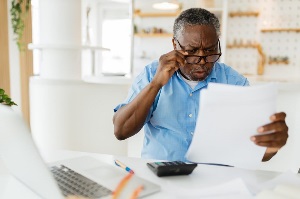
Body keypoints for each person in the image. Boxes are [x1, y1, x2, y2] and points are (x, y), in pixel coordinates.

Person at [113, 8, 288, 162]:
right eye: (191, 51)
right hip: (160, 177)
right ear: (175, 44)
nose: (202, 61)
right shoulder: (152, 74)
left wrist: (273, 146)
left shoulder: (234, 82)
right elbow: (121, 131)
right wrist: (156, 84)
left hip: (215, 181)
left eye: (211, 50)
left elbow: (256, 151)